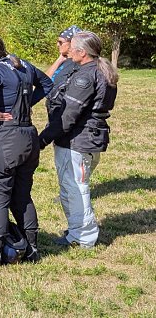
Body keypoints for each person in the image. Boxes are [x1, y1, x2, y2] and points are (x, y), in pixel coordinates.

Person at [0, 34, 52, 265]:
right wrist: (25, 105)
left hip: (3, 139)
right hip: (28, 137)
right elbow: (47, 84)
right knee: (23, 196)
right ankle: (32, 248)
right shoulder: (23, 64)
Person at [39, 31, 118, 248]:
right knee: (77, 187)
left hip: (77, 142)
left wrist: (42, 139)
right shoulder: (102, 71)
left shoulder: (85, 76)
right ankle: (77, 230)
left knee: (74, 189)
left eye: (72, 47)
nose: (68, 50)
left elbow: (68, 115)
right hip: (91, 140)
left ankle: (82, 238)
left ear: (82, 52)